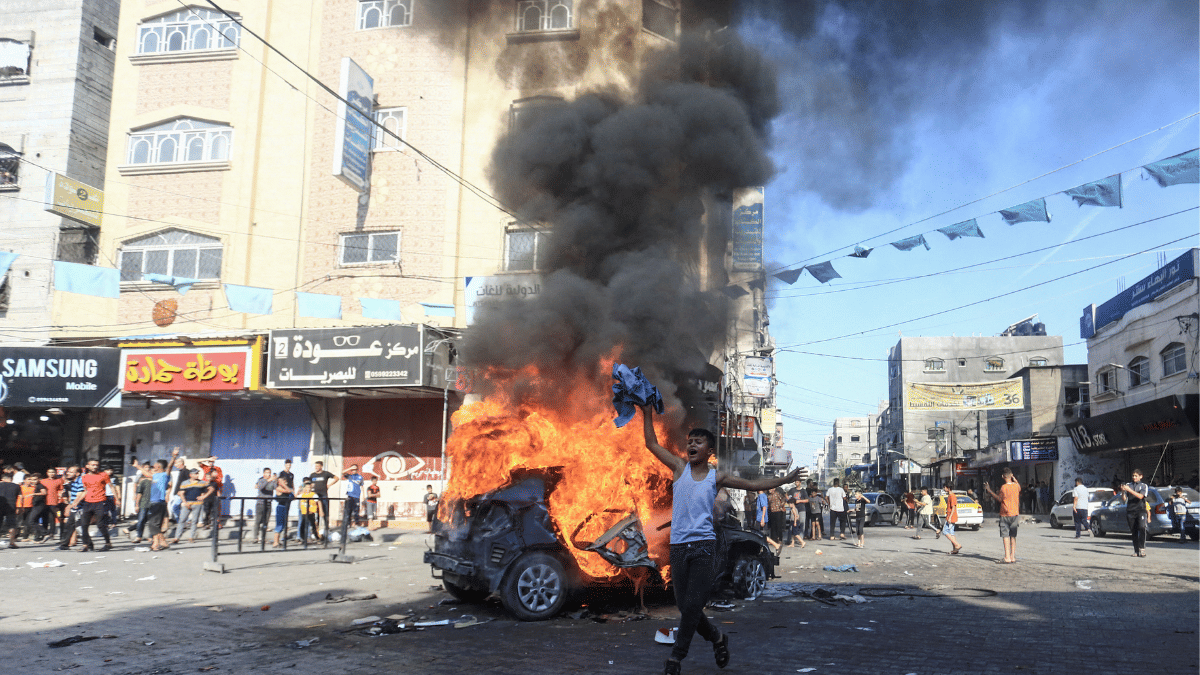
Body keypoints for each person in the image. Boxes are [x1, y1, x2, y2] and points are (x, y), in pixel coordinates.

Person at [639, 403, 802, 675]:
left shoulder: (717, 477)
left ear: (709, 451)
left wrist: (784, 479)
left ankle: (676, 658)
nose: (691, 444)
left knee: (692, 606)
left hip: (704, 548)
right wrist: (646, 413)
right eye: (689, 441)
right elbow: (651, 443)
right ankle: (717, 638)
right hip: (678, 548)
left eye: (698, 441)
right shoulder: (678, 467)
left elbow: (753, 485)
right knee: (685, 606)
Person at [66, 459, 114, 552]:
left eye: (96, 465)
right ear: (87, 466)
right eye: (92, 465)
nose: (95, 467)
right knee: (84, 525)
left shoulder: (103, 475)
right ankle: (85, 545)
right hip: (88, 503)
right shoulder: (84, 477)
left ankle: (108, 543)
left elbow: (111, 486)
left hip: (100, 502)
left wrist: (117, 498)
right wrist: (76, 502)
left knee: (100, 524)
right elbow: (85, 491)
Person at [984, 468, 1021, 563]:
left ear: (1002, 477)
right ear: (1011, 475)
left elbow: (999, 499)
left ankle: (1007, 557)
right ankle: (1012, 557)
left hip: (1005, 514)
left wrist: (989, 491)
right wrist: (1013, 477)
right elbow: (1018, 484)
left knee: (1005, 536)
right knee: (1013, 536)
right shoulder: (1017, 486)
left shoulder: (1003, 487)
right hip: (1015, 514)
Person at [172, 469, 213, 544]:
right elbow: (181, 493)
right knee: (182, 520)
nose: (197, 475)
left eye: (198, 474)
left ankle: (191, 537)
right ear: (191, 475)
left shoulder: (202, 483)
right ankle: (176, 537)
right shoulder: (185, 483)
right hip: (187, 503)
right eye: (195, 474)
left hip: (197, 503)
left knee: (194, 521)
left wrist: (203, 497)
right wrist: (184, 502)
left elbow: (211, 489)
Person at [1116, 469, 1149, 558]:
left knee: (1142, 528)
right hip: (1130, 510)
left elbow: (1140, 496)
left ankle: (1142, 549)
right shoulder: (1128, 485)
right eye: (1133, 476)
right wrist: (1123, 491)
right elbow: (1124, 499)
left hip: (1140, 510)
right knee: (1133, 530)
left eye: (1136, 476)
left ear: (1140, 476)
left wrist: (1129, 490)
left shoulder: (1143, 486)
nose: (1134, 477)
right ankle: (1136, 550)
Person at [57, 466, 83, 550]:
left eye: (71, 472)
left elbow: (79, 496)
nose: (68, 473)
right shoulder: (72, 482)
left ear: (77, 474)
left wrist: (69, 506)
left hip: (81, 508)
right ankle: (64, 545)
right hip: (74, 507)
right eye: (68, 472)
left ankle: (88, 545)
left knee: (80, 528)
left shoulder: (80, 481)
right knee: (69, 526)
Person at [127, 462, 152, 543]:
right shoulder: (142, 480)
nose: (147, 469)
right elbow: (139, 492)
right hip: (143, 503)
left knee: (151, 521)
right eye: (146, 467)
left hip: (153, 503)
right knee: (141, 520)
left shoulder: (155, 480)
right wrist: (137, 504)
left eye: (149, 468)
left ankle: (151, 537)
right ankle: (139, 536)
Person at [309, 461, 337, 532]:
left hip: (324, 495)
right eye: (315, 466)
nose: (316, 468)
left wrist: (329, 485)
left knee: (325, 512)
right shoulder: (312, 475)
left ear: (321, 466)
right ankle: (316, 529)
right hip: (315, 496)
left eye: (318, 466)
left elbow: (336, 478)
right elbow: (308, 484)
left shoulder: (326, 473)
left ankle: (326, 528)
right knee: (316, 512)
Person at [253, 468, 277, 543]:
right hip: (261, 503)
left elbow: (275, 487)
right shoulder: (261, 480)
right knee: (258, 521)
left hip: (268, 503)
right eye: (267, 473)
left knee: (266, 521)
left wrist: (275, 480)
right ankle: (255, 537)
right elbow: (260, 487)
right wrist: (268, 480)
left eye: (269, 473)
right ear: (264, 473)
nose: (268, 474)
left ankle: (263, 537)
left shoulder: (271, 481)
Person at [272, 471, 295, 548]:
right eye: (282, 481)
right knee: (279, 525)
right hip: (280, 507)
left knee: (283, 525)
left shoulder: (285, 487)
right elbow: (288, 491)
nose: (284, 482)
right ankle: (275, 542)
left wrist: (285, 485)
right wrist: (282, 484)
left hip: (286, 507)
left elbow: (292, 493)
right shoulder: (278, 488)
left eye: (285, 481)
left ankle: (279, 541)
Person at [296, 479, 323, 543]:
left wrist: (321, 511)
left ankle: (317, 538)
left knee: (313, 526)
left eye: (309, 487)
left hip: (312, 512)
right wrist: (300, 490)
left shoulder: (313, 494)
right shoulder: (302, 495)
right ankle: (303, 538)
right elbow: (296, 497)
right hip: (304, 512)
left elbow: (318, 501)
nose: (308, 488)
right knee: (303, 525)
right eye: (307, 487)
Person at [41, 468, 64, 540]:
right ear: (47, 473)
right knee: (45, 518)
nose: (51, 474)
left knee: (58, 516)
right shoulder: (43, 481)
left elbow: (61, 490)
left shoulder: (59, 480)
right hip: (45, 502)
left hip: (55, 502)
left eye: (53, 472)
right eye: (50, 472)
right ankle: (45, 534)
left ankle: (53, 533)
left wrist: (60, 498)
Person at [940, 481, 962, 554]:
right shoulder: (950, 496)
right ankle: (955, 549)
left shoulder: (952, 496)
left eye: (945, 487)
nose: (944, 488)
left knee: (945, 531)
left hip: (951, 516)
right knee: (951, 533)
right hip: (951, 516)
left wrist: (949, 517)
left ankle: (957, 544)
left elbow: (953, 507)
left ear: (948, 488)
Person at [0, 471, 19, 548]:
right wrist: (19, 508)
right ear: (12, 478)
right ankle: (11, 543)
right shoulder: (16, 486)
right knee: (12, 525)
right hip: (11, 506)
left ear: (2, 479)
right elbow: (19, 497)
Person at [765, 486, 786, 554]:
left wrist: (781, 506)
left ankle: (780, 539)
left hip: (778, 511)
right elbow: (768, 503)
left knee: (779, 526)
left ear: (773, 489)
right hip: (772, 512)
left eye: (770, 489)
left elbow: (783, 500)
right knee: (773, 527)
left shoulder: (777, 494)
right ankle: (774, 539)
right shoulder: (768, 496)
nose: (769, 490)